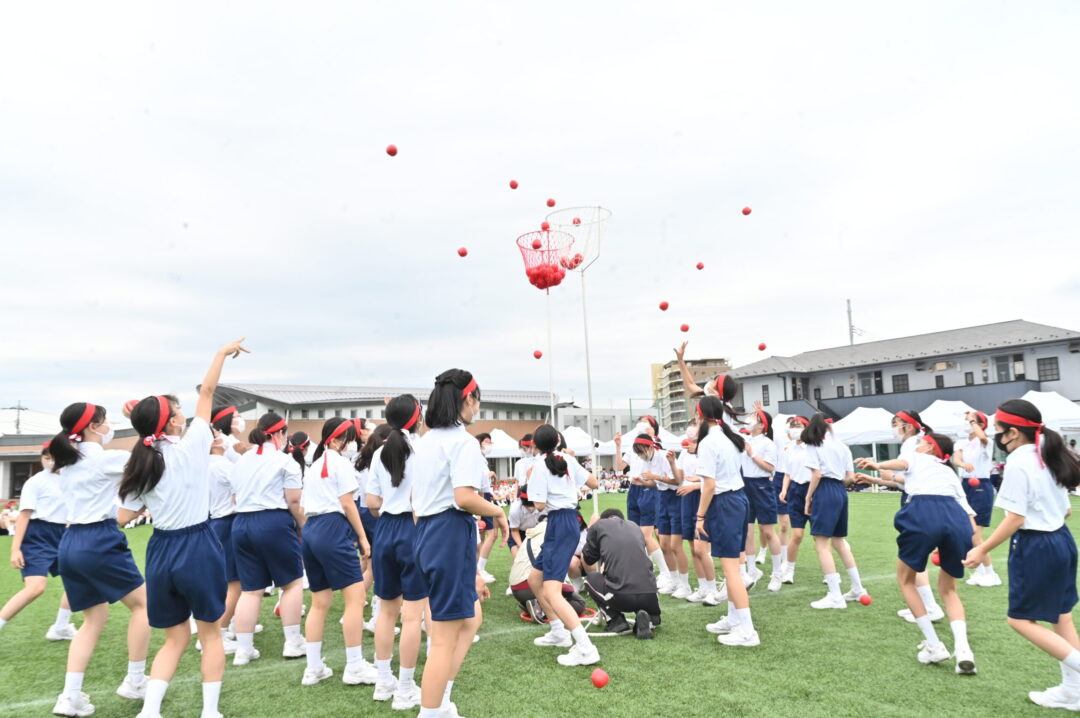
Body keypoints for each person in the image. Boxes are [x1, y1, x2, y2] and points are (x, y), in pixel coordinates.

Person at [117, 339, 247, 718]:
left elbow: (123, 518)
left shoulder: (141, 461)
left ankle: (150, 711)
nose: (183, 414)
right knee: (210, 634)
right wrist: (222, 354)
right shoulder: (193, 445)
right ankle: (210, 712)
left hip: (160, 550)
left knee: (173, 639)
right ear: (174, 421)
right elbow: (207, 392)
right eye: (178, 411)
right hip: (198, 545)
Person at [963, 400, 1080, 710]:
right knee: (1061, 617)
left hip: (1037, 546)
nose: (997, 438)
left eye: (999, 431)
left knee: (1020, 620)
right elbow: (1065, 510)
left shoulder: (1018, 461)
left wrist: (981, 549)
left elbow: (1014, 519)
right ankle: (1073, 691)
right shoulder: (1047, 454)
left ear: (1013, 432)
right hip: (1061, 541)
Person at [411, 369, 508, 718]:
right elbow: (465, 497)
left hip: (431, 533)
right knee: (442, 638)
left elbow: (417, 498)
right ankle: (432, 711)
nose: (479, 406)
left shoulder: (427, 441)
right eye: (478, 399)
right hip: (448, 533)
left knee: (471, 619)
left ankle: (442, 701)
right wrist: (498, 511)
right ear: (468, 399)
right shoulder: (461, 441)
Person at [50, 402, 151, 717]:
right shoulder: (103, 459)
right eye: (106, 422)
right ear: (93, 426)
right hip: (98, 539)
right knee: (143, 606)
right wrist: (143, 422)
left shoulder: (68, 462)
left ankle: (70, 697)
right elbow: (149, 458)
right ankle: (135, 680)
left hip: (71, 543)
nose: (109, 427)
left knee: (93, 621)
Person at [856, 433, 978, 673]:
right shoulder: (948, 472)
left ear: (930, 448)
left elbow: (902, 465)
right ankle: (964, 650)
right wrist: (976, 548)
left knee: (905, 580)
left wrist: (877, 465)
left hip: (923, 512)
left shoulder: (918, 459)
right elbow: (970, 518)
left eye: (921, 443)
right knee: (949, 590)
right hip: (957, 519)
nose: (918, 445)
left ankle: (934, 645)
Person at [296, 416, 374, 687]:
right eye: (351, 438)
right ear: (341, 440)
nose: (354, 443)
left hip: (312, 530)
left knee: (320, 602)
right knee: (355, 597)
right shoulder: (340, 464)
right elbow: (348, 504)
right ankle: (354, 666)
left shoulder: (313, 466)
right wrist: (363, 539)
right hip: (331, 526)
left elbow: (304, 510)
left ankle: (313, 668)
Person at [228, 411, 305, 665]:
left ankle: (244, 649)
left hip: (241, 523)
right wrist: (303, 526)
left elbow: (235, 496)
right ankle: (293, 642)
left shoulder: (242, 460)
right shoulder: (286, 462)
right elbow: (294, 500)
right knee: (292, 583)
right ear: (278, 434)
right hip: (272, 521)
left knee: (251, 590)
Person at [366, 395, 429, 710]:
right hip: (411, 529)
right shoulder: (424, 450)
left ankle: (383, 680)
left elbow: (372, 504)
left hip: (385, 530)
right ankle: (404, 689)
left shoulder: (379, 452)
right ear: (417, 418)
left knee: (386, 611)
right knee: (412, 615)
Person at [526, 424, 600, 666]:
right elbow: (595, 483)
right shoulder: (567, 459)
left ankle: (586, 647)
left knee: (552, 592)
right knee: (535, 579)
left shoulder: (538, 466)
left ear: (535, 445)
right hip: (567, 521)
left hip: (559, 523)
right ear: (558, 439)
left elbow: (537, 505)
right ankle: (559, 632)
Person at [694, 395, 757, 647]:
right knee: (735, 568)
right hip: (737, 500)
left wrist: (700, 516)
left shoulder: (710, 442)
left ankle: (747, 631)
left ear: (700, 415)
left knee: (731, 570)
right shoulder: (729, 437)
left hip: (726, 504)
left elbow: (709, 486)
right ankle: (734, 619)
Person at [0, 443, 77, 640]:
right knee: (35, 588)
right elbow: (24, 515)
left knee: (79, 581)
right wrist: (15, 549)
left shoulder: (72, 478)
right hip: (37, 535)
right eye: (45, 456)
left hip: (64, 534)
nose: (49, 460)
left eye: (53, 456)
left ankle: (60, 627)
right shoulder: (35, 482)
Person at [802, 413, 868, 609]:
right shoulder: (842, 446)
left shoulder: (814, 445)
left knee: (822, 544)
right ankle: (857, 588)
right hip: (840, 490)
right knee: (839, 542)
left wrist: (808, 497)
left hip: (824, 489)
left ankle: (835, 595)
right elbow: (850, 478)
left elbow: (816, 474)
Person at [582, 509, 661, 639]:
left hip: (621, 596)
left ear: (604, 519)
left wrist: (591, 528)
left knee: (591, 578)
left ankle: (615, 620)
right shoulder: (635, 527)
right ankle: (650, 618)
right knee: (641, 576)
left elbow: (589, 558)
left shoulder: (598, 526)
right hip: (650, 595)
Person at [614, 418, 672, 590]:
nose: (643, 425)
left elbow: (660, 478)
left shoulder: (656, 448)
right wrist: (617, 446)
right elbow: (619, 467)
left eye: (647, 423)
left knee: (647, 535)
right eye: (641, 422)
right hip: (634, 491)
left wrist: (648, 480)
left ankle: (666, 572)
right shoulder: (634, 447)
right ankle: (647, 570)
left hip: (649, 490)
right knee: (637, 534)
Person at [673, 424, 719, 604]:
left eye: (695, 426)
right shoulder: (685, 452)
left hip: (702, 498)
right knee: (693, 548)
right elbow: (681, 476)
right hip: (687, 500)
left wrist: (695, 484)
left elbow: (713, 479)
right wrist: (671, 462)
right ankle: (703, 587)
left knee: (702, 548)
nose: (691, 430)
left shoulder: (707, 448)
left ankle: (712, 588)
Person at [954, 411, 1001, 587]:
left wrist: (974, 419)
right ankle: (980, 572)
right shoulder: (961, 442)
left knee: (976, 534)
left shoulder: (986, 441)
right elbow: (957, 459)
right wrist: (962, 464)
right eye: (966, 420)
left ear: (980, 424)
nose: (967, 423)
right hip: (965, 485)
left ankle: (991, 573)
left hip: (981, 486)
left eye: (970, 421)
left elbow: (982, 437)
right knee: (967, 532)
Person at [741, 402, 783, 592]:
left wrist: (752, 456)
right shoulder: (746, 439)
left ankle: (777, 574)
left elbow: (770, 467)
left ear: (762, 425)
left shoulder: (768, 443)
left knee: (768, 531)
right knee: (748, 532)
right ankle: (751, 570)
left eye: (755, 418)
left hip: (762, 487)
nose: (750, 420)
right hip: (745, 485)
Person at [356, 423, 393, 632]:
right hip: (378, 515)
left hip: (366, 514)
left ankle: (357, 608)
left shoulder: (367, 459)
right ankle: (376, 615)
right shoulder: (383, 460)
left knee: (372, 566)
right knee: (380, 567)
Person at [777, 416, 810, 584]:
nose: (795, 428)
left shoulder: (813, 447)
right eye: (792, 426)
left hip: (813, 490)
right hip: (795, 491)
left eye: (799, 425)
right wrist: (784, 490)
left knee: (823, 536)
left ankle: (830, 574)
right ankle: (789, 570)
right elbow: (787, 473)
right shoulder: (789, 449)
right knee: (796, 535)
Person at [474, 432, 500, 584]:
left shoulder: (481, 459)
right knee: (492, 534)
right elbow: (479, 481)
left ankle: (478, 569)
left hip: (484, 496)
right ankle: (480, 569)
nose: (489, 445)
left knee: (482, 537)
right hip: (480, 498)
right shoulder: (477, 459)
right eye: (487, 441)